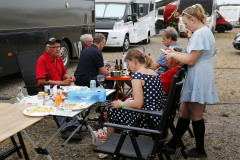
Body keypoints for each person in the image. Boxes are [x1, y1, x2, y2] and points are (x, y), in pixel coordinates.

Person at [163, 4, 219, 158]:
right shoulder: (203, 31)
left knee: (196, 114)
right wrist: (176, 52)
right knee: (184, 112)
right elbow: (192, 55)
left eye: (186, 23)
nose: (185, 26)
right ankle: (172, 145)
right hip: (198, 74)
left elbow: (191, 60)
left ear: (193, 20)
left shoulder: (200, 33)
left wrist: (173, 56)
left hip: (198, 75)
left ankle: (200, 150)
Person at [107, 49, 165, 137]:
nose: (128, 67)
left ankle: (110, 145)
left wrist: (121, 104)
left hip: (147, 118)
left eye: (128, 64)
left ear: (134, 61)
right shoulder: (154, 73)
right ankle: (122, 140)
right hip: (159, 115)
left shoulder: (137, 76)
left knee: (111, 109)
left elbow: (138, 104)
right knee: (120, 108)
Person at [34, 37, 81, 141]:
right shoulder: (42, 60)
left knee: (75, 96)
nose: (57, 49)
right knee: (60, 101)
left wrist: (69, 78)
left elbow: (63, 74)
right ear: (47, 49)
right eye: (54, 47)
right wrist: (62, 83)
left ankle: (74, 123)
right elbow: (40, 82)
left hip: (59, 89)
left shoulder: (58, 58)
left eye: (58, 47)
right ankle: (68, 128)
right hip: (46, 91)